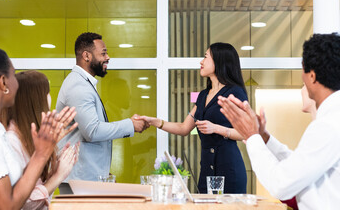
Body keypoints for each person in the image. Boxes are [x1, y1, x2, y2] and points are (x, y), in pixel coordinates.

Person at [218, 33, 340, 210]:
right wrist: (263, 137)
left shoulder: (328, 125)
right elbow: (299, 165)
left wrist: (252, 137)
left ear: (312, 76)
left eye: (302, 70)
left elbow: (281, 185)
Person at [138, 42, 248, 193]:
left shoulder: (234, 92)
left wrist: (216, 128)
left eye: (205, 57)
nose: (201, 62)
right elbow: (184, 128)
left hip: (229, 168)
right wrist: (155, 122)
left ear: (219, 61)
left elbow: (246, 133)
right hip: (206, 170)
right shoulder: (203, 95)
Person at [0, 46, 75, 210]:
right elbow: (8, 206)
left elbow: (19, 192)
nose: (17, 84)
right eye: (14, 76)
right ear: (3, 83)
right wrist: (41, 155)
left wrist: (49, 157)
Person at [56, 32, 148, 183]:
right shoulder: (78, 85)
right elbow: (92, 131)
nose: (108, 58)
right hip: (79, 180)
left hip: (86, 177)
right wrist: (130, 125)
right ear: (87, 56)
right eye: (103, 53)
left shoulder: (84, 83)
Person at [1, 70, 79, 209]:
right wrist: (57, 178)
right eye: (47, 93)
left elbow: (36, 195)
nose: (49, 98)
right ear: (35, 99)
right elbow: (24, 203)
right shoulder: (11, 142)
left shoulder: (27, 138)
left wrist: (54, 171)